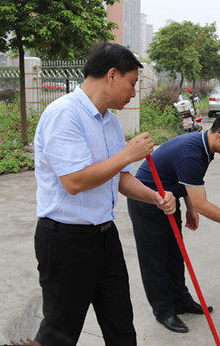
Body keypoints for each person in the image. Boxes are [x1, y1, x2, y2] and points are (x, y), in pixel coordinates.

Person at [33, 42, 176, 346]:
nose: (134, 92)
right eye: (132, 83)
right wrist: (128, 154)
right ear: (112, 75)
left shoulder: (110, 121)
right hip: (65, 241)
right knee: (59, 333)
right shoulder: (64, 114)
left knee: (121, 326)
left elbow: (119, 178)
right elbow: (75, 181)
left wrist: (154, 198)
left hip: (104, 238)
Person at [127, 110, 220, 334]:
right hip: (147, 203)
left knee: (174, 255)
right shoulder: (192, 153)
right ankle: (163, 310)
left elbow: (187, 183)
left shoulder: (203, 147)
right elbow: (204, 204)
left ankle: (180, 300)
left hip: (169, 199)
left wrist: (189, 206)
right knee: (155, 261)